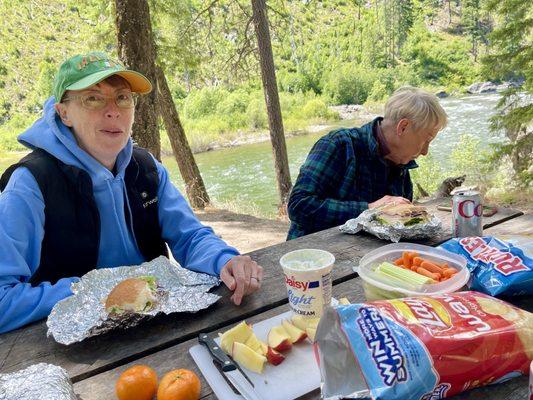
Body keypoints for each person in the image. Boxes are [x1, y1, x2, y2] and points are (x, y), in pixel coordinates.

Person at [0, 52, 263, 334]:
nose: (113, 110)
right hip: (75, 357)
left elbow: (191, 237)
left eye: (122, 97)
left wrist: (225, 260)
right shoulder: (31, 184)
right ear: (63, 113)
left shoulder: (146, 169)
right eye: (93, 98)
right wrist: (93, 294)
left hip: (157, 331)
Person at [287, 87, 448, 239]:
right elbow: (298, 206)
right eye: (426, 140)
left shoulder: (400, 162)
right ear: (403, 127)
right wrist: (371, 209)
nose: (425, 151)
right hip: (311, 260)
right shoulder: (338, 145)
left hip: (363, 257)